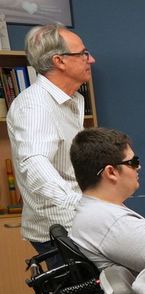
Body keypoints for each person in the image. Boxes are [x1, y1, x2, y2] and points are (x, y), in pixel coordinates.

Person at [7, 23, 95, 258]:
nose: (91, 59)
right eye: (83, 54)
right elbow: (35, 163)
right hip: (61, 228)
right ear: (59, 61)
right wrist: (79, 204)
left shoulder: (71, 100)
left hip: (77, 222)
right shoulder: (35, 105)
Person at [67, 127, 145, 273]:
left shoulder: (93, 211)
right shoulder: (111, 222)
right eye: (133, 162)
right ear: (111, 172)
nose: (139, 167)